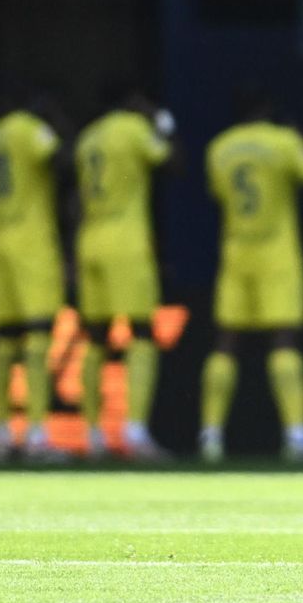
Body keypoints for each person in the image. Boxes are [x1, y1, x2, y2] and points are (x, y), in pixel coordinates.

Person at [198, 90, 303, 463]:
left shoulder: (220, 148)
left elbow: (216, 197)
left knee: (226, 342)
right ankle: (297, 436)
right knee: (284, 342)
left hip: (236, 253)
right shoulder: (283, 142)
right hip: (276, 256)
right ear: (267, 110)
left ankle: (210, 436)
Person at [0, 94, 70, 463]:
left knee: (2, 338)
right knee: (38, 334)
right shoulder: (26, 128)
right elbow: (62, 160)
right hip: (28, 239)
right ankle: (37, 435)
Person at [75, 89, 176, 460]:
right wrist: (162, 124)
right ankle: (135, 432)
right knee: (142, 331)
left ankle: (91, 434)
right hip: (126, 241)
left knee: (96, 337)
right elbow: (170, 161)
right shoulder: (133, 127)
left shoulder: (89, 136)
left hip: (90, 239)